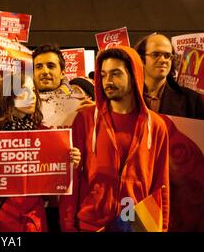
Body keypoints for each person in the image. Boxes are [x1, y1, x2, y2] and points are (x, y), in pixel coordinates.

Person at [60, 46, 169, 232]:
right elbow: (71, 177)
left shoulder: (156, 126)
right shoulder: (86, 119)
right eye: (103, 75)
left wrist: (163, 227)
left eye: (115, 74)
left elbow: (161, 185)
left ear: (134, 75)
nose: (107, 81)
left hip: (137, 225)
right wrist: (68, 226)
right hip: (91, 225)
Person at [0, 72, 81, 232]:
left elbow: (52, 188)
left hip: (33, 221)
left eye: (33, 90)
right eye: (24, 92)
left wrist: (68, 166)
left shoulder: (44, 132)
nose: (32, 96)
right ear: (9, 95)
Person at [134, 33, 204, 119]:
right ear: (141, 59)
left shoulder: (192, 100)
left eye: (167, 56)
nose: (163, 60)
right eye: (155, 55)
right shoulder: (127, 97)